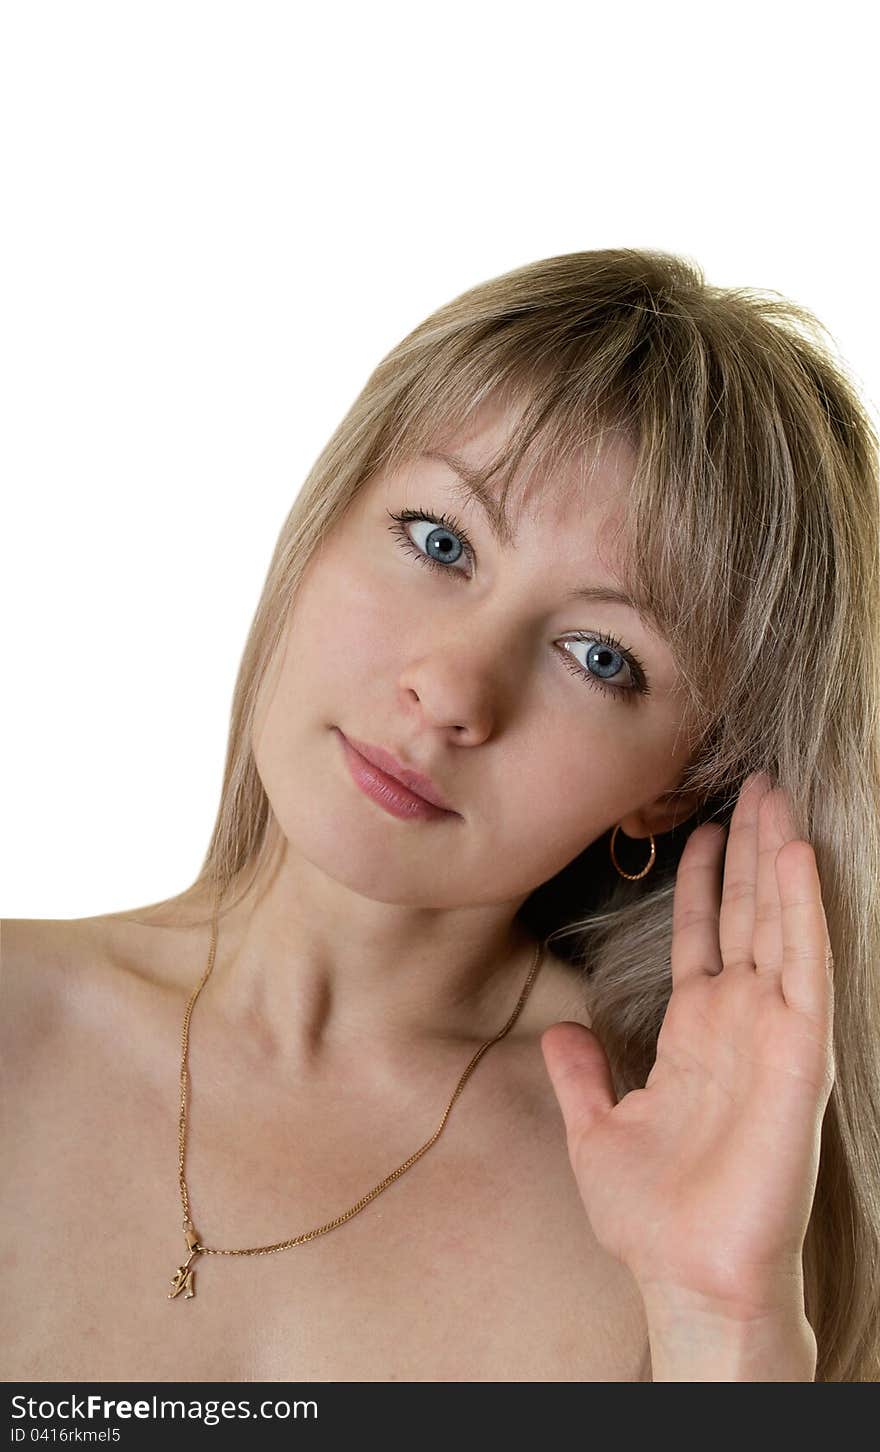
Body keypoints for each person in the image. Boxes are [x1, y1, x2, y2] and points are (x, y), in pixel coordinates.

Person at [2, 248, 878, 1383]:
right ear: (319, 527)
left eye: (599, 656)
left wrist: (721, 1318)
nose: (455, 691)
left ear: (677, 781)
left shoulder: (680, 1193)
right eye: (440, 541)